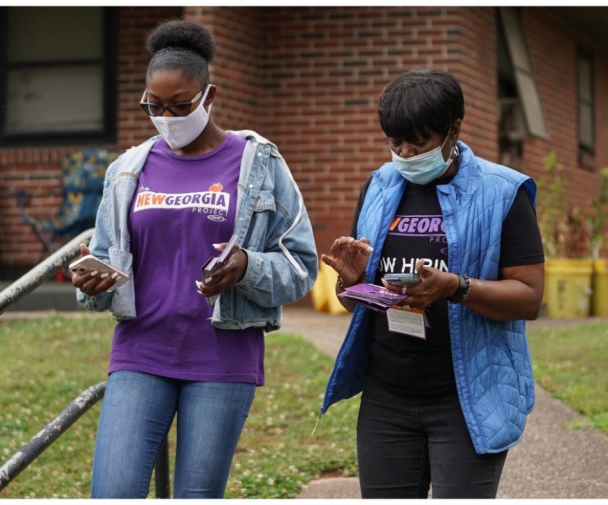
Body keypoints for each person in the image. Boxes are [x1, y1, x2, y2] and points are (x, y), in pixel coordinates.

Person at [72, 19, 318, 499]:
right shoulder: (127, 170)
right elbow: (102, 260)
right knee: (113, 492)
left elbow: (300, 266)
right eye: (154, 106)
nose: (166, 117)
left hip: (222, 358)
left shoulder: (259, 163)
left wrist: (247, 266)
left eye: (180, 105)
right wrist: (91, 284)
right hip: (140, 352)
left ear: (210, 96)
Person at [319, 69, 545, 498]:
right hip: (387, 395)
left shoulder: (502, 192)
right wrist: (351, 285)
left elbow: (529, 298)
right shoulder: (380, 186)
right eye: (394, 142)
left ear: (453, 130)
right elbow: (361, 303)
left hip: (466, 398)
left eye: (418, 142)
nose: (404, 153)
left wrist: (455, 287)